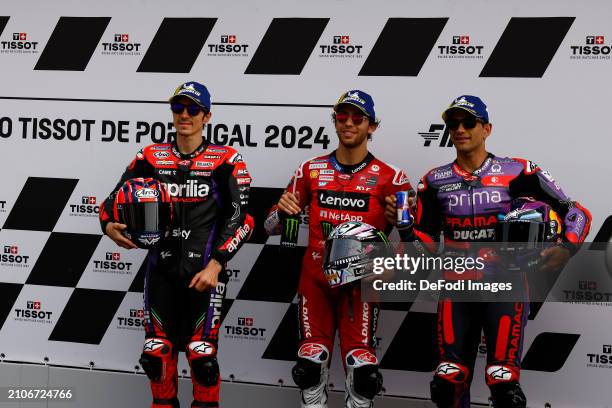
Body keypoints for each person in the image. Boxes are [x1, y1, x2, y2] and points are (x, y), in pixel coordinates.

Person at [389, 95, 591, 407]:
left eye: (469, 122)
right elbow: (425, 246)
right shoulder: (434, 181)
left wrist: (566, 249)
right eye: (453, 123)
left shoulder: (519, 171)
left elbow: (576, 213)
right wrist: (403, 228)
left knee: (504, 383)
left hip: (506, 287)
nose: (460, 129)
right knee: (447, 381)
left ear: (487, 129)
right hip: (456, 289)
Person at [99, 81, 254, 408]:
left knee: (203, 362)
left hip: (205, 277)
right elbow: (111, 202)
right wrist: (108, 226)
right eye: (178, 107)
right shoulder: (150, 156)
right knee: (156, 359)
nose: (185, 115)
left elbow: (242, 220)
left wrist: (216, 265)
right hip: (161, 272)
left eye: (193, 109)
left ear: (207, 116)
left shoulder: (226, 159)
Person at [264, 90, 414, 408]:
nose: (348, 123)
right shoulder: (310, 170)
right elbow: (270, 226)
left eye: (357, 118)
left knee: (364, 377)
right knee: (309, 367)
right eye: (342, 117)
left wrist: (394, 249)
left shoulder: (392, 178)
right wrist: (281, 212)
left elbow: (417, 239)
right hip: (315, 280)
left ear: (371, 126)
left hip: (360, 285)